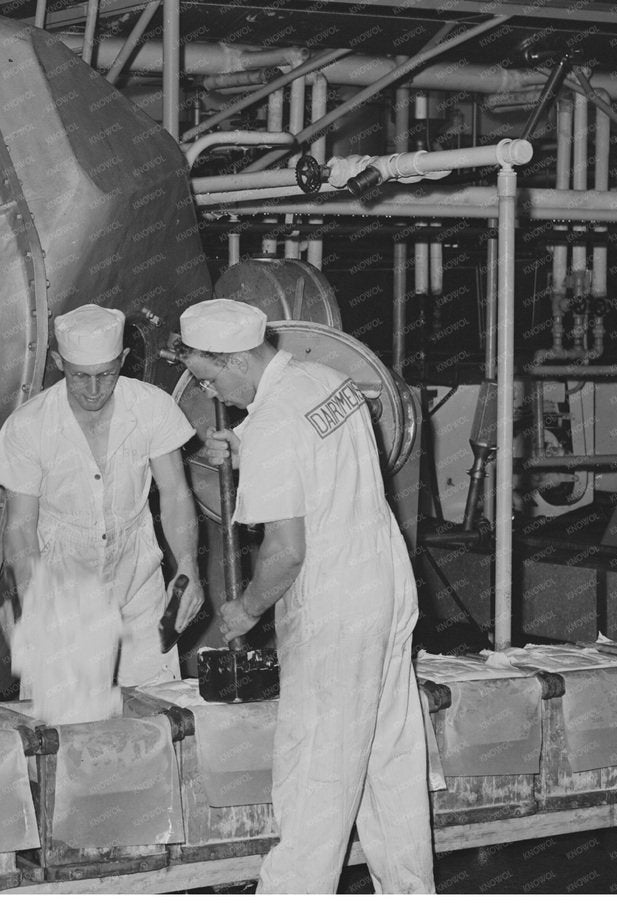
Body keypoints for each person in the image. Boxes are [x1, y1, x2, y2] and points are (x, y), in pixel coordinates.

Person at [175, 298, 434, 894]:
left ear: (239, 358)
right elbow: (318, 450)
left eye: (215, 378)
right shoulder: (326, 378)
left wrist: (246, 609)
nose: (220, 396)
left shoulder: (270, 423)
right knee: (386, 758)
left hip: (334, 603)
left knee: (317, 768)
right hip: (384, 583)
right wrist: (243, 447)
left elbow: (285, 551)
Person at [0, 304, 204, 687]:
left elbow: (176, 495)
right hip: (64, 581)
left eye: (106, 374)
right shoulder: (29, 425)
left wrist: (188, 567)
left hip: (139, 575)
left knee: (156, 711)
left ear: (122, 359)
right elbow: (20, 527)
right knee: (66, 724)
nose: (94, 390)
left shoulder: (152, 407)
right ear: (57, 362)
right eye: (79, 377)